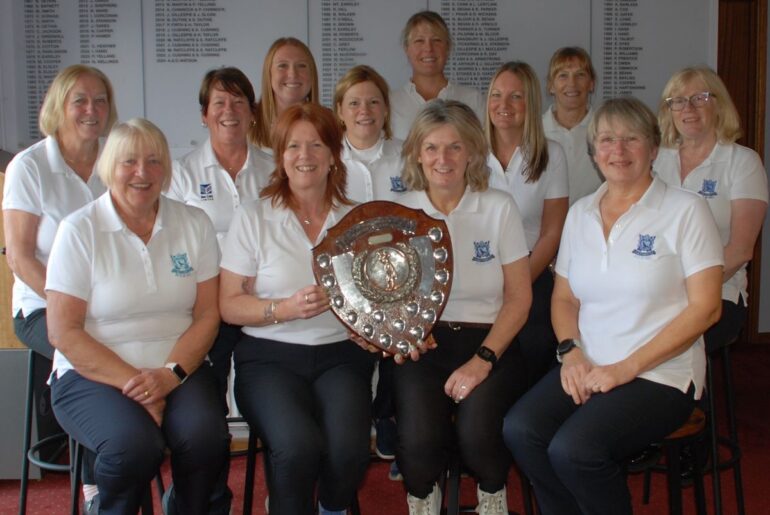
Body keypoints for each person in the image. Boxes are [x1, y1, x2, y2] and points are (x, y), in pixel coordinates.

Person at [503, 97, 724, 515]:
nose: (617, 151)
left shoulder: (685, 211)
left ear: (654, 148)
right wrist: (571, 353)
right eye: (606, 140)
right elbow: (564, 297)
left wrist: (626, 368)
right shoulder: (580, 214)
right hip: (589, 364)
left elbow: (706, 309)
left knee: (575, 450)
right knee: (521, 429)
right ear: (593, 151)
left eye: (631, 139)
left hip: (661, 373)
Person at [45, 118, 229, 515]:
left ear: (166, 169)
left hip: (176, 366)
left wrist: (168, 376)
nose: (142, 173)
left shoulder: (194, 224)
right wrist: (139, 387)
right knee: (134, 446)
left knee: (205, 437)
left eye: (153, 161)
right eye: (129, 161)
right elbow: (63, 332)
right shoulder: (78, 230)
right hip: (91, 373)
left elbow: (206, 315)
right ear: (109, 166)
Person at [220, 103, 376, 515]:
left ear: (333, 156)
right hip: (269, 358)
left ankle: (331, 507)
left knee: (350, 451)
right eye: (293, 146)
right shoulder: (253, 217)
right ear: (280, 156)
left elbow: (374, 297)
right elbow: (229, 306)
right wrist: (283, 308)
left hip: (341, 355)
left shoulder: (357, 217)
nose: (304, 156)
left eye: (315, 145)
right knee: (296, 448)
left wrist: (369, 328)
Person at [394, 99, 532, 515]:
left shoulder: (499, 207)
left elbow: (520, 298)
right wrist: (402, 336)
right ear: (418, 153)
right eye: (432, 148)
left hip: (490, 341)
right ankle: (422, 496)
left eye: (455, 147)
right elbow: (388, 294)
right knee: (417, 442)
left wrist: (483, 360)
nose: (443, 158)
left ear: (472, 151)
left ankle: (492, 491)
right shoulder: (400, 210)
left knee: (478, 435)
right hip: (424, 343)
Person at [3, 64, 117, 513]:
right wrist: (68, 305)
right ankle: (95, 488)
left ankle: (125, 460)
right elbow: (21, 256)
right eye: (80, 101)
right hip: (40, 309)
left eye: (101, 100)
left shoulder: (115, 161)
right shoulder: (29, 167)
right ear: (58, 107)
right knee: (94, 358)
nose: (92, 110)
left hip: (106, 308)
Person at [168, 66, 273, 406]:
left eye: (239, 102)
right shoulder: (182, 173)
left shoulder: (275, 170)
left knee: (269, 392)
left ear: (252, 113)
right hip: (206, 303)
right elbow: (175, 243)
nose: (229, 111)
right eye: (219, 103)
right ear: (204, 115)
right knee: (207, 399)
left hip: (262, 300)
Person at [656, 66, 768, 355]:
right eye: (677, 101)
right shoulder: (655, 159)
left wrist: (676, 290)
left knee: (652, 339)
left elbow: (741, 250)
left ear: (719, 104)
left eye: (700, 98)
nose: (688, 108)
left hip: (717, 294)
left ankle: (684, 400)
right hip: (655, 289)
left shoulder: (742, 162)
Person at [485, 61, 568, 386]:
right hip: (481, 271)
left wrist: (517, 285)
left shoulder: (551, 154)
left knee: (535, 342)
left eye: (515, 97)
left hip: (532, 269)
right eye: (496, 95)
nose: (503, 106)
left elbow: (552, 232)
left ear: (531, 103)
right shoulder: (469, 151)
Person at [390, 11, 485, 140]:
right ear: (406, 48)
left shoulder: (473, 100)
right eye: (419, 41)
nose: (428, 48)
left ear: (448, 47)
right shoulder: (390, 104)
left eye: (436, 40)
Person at [334, 64, 407, 203]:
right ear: (340, 111)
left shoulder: (409, 155)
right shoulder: (326, 160)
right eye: (354, 103)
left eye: (373, 102)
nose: (364, 111)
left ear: (386, 108)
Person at [542, 47, 603, 205]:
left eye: (580, 75)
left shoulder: (607, 129)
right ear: (550, 86)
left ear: (591, 84)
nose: (572, 83)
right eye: (563, 76)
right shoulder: (534, 131)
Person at [249, 37, 319, 152]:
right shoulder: (247, 121)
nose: (292, 74)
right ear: (269, 74)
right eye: (282, 66)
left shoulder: (329, 123)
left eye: (301, 65)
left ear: (312, 74)